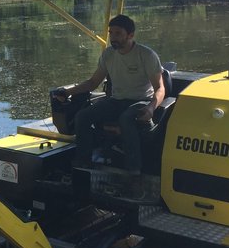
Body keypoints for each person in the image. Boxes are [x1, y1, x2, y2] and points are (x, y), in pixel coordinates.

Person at [53, 14, 164, 175]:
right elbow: (92, 83)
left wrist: (151, 109)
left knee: (126, 118)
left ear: (130, 35)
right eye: (111, 33)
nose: (113, 37)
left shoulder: (147, 55)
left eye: (118, 33)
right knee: (83, 116)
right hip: (116, 101)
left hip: (141, 101)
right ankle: (84, 163)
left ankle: (134, 170)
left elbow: (160, 88)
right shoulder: (108, 55)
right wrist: (67, 92)